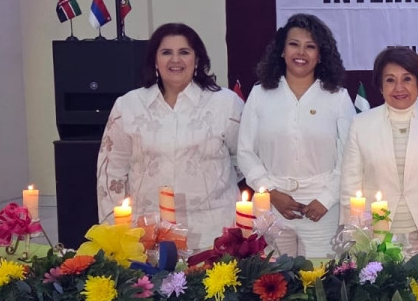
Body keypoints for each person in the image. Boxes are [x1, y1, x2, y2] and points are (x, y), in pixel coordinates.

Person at [97, 22, 243, 251]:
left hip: (214, 233)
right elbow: (112, 171)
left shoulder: (226, 103)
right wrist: (114, 233)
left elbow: (242, 159)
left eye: (184, 52)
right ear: (155, 60)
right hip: (147, 234)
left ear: (197, 59)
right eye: (166, 52)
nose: (175, 60)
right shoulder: (129, 106)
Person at [238, 14, 354, 258]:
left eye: (310, 46)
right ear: (282, 50)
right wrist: (271, 193)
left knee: (322, 279)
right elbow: (245, 153)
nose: (301, 52)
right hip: (272, 207)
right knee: (273, 279)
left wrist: (325, 199)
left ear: (320, 55)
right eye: (294, 44)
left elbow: (350, 157)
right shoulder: (260, 94)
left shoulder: (338, 97)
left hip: (323, 210)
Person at [339, 47, 418, 253]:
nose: (399, 88)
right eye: (390, 80)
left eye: (407, 79)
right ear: (380, 86)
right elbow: (350, 184)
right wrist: (357, 234)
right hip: (376, 237)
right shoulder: (361, 124)